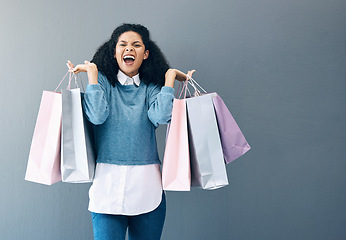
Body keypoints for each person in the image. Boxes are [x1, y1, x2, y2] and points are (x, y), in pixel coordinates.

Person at [67, 23, 195, 240]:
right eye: (123, 45)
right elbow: (96, 116)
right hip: (107, 188)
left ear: (145, 54)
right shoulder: (103, 84)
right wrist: (92, 75)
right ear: (114, 52)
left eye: (136, 45)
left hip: (147, 188)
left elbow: (161, 117)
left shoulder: (151, 86)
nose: (129, 49)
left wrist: (169, 77)